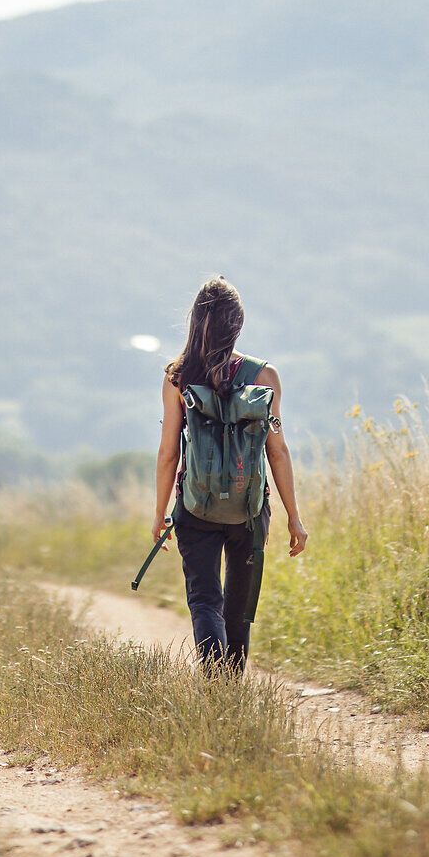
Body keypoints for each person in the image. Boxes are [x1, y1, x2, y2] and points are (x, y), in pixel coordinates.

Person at [152, 276, 307, 674]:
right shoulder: (263, 376)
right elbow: (278, 450)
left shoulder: (178, 376)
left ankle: (214, 685)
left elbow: (169, 453)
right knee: (238, 608)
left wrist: (159, 512)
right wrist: (294, 516)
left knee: (205, 601)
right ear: (237, 324)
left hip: (195, 506)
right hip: (250, 509)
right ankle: (229, 692)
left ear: (195, 322)